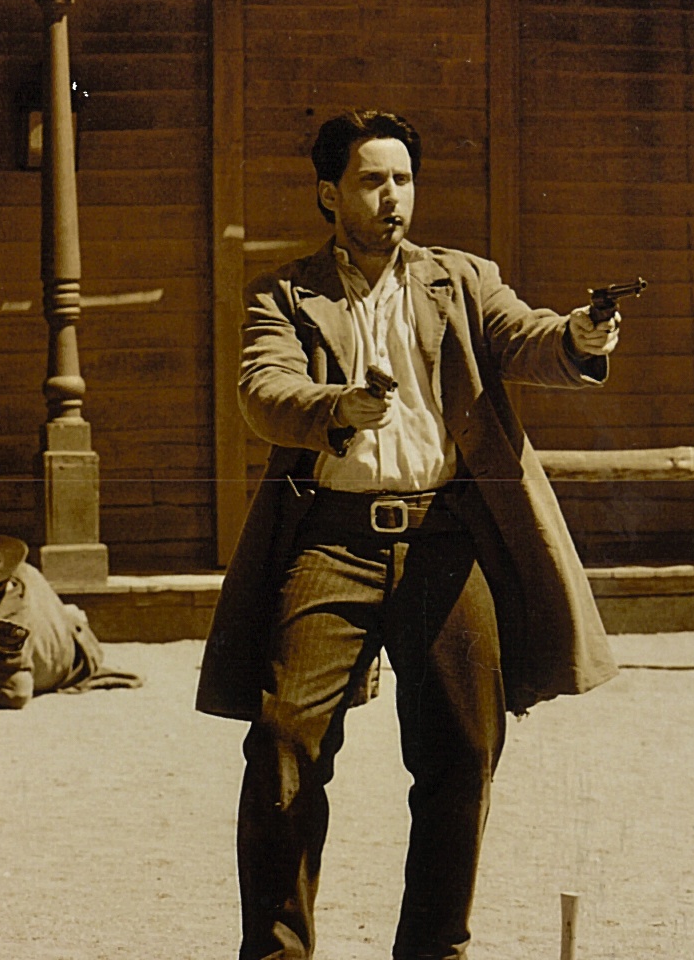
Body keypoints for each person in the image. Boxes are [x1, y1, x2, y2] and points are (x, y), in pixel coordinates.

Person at [196, 109, 621, 960]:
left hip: (443, 541)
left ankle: (433, 952)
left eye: (403, 179)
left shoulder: (459, 280)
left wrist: (576, 336)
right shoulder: (284, 294)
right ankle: (277, 953)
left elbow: (524, 336)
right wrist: (332, 408)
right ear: (330, 194)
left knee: (462, 756)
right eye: (371, 180)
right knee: (282, 746)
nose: (392, 197)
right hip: (332, 541)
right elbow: (261, 389)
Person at [0, 532, 141, 708]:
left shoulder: (7, 630)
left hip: (68, 666)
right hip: (75, 643)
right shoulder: (23, 572)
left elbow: (16, 692)